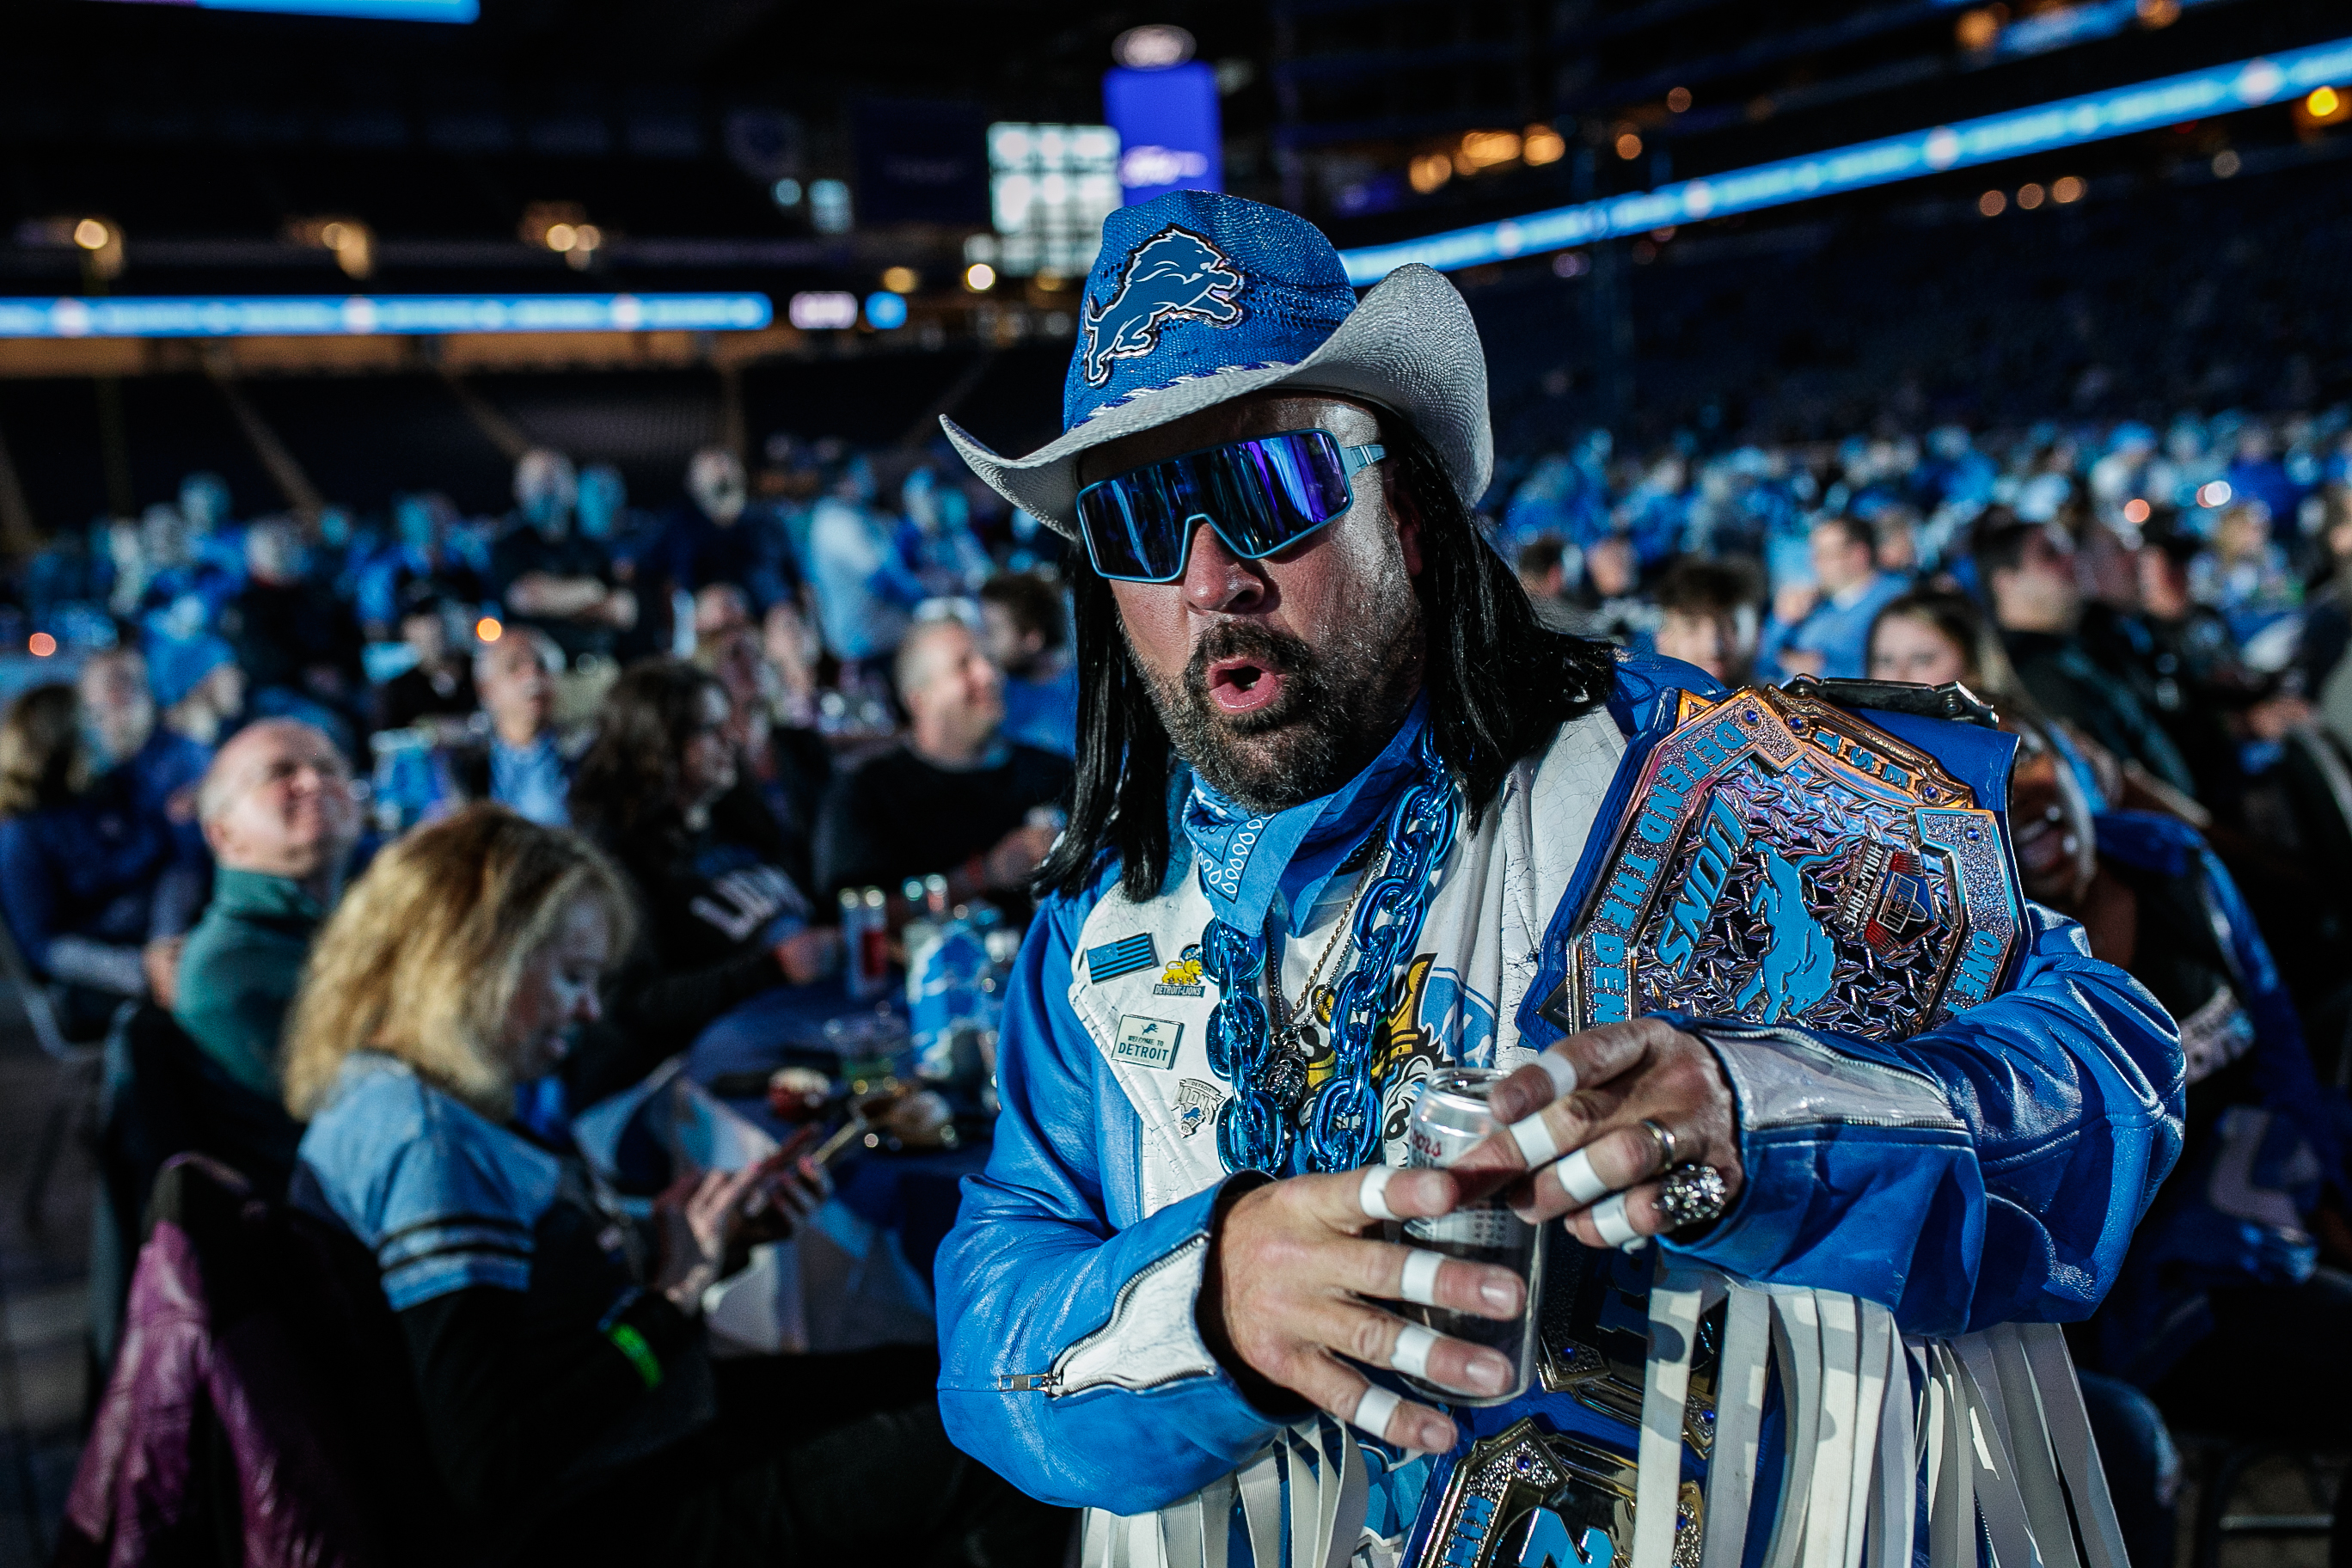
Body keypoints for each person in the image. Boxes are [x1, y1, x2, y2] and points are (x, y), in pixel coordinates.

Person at [928, 190, 2178, 1565]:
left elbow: (2109, 1076)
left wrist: (1767, 1118)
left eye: (1262, 489)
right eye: (1137, 521)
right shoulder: (1098, 931)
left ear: (1400, 512)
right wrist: (1209, 1302)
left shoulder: (1675, 780)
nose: (1210, 574)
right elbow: (992, 1332)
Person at [282, 806, 1065, 1565]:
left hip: (638, 1439)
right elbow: (490, 1466)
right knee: (1012, 1444)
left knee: (948, 1374)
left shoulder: (385, 1090)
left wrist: (687, 1242)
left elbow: (528, 1319)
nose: (591, 1009)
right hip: (601, 1512)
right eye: (573, 977)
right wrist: (672, 1298)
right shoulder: (431, 1147)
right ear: (476, 961)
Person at [567, 659, 836, 1106]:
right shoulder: (618, 856)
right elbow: (631, 1003)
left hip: (782, 1043)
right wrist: (771, 968)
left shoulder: (737, 816)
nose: (731, 739)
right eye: (709, 730)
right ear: (656, 744)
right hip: (663, 1083)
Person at [168, 719, 360, 1183]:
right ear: (223, 835)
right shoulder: (227, 974)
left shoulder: (355, 921)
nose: (313, 781)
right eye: (279, 774)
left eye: (328, 767)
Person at [813, 616, 1070, 906]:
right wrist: (980, 876)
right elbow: (855, 917)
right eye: (962, 666)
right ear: (919, 699)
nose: (988, 675)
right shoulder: (868, 794)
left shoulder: (1054, 773)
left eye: (989, 659)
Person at [0, 685, 182, 1032]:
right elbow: (43, 946)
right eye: (95, 717)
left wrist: (165, 940)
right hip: (100, 973)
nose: (110, 724)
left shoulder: (117, 787)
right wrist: (142, 969)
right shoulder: (21, 833)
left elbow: (171, 864)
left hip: (163, 940)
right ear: (62, 738)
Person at [1977, 516, 2201, 797]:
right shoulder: (2028, 671)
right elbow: (2116, 781)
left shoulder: (2085, 639)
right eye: (2050, 554)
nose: (2072, 560)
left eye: (2070, 550)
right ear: (2005, 582)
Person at [493, 448, 638, 667]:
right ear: (518, 489)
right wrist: (592, 590)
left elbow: (624, 610)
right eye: (537, 483)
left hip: (597, 666)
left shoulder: (593, 544)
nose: (547, 490)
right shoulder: (507, 545)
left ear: (572, 487)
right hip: (539, 672)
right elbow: (527, 598)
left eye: (554, 480)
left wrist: (558, 600)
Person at [1760, 514, 1908, 679]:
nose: (1815, 564)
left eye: (1825, 555)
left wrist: (1822, 670)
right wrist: (1782, 620)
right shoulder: (1816, 605)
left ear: (1859, 555)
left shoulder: (1896, 600)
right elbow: (1763, 665)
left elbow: (1894, 669)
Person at [664, 448, 798, 619]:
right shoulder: (679, 524)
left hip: (767, 624)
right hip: (705, 625)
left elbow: (796, 578)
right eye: (712, 466)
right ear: (692, 483)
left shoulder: (768, 520)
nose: (722, 471)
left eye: (727, 463)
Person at [461, 628, 573, 826]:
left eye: (541, 665)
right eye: (513, 667)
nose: (532, 677)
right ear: (486, 689)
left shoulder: (586, 755)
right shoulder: (463, 767)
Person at [978, 569, 1079, 758]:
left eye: (992, 631)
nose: (983, 640)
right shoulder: (996, 689)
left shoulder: (1079, 695)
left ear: (1031, 639)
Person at [377, 588, 479, 736]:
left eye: (440, 613)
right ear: (406, 630)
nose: (435, 625)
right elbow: (385, 743)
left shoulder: (483, 671)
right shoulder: (399, 689)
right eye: (423, 617)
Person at [1650, 556, 1762, 687]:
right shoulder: (1638, 706)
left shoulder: (1773, 705)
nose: (1713, 647)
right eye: (1693, 627)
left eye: (1725, 626)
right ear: (1662, 639)